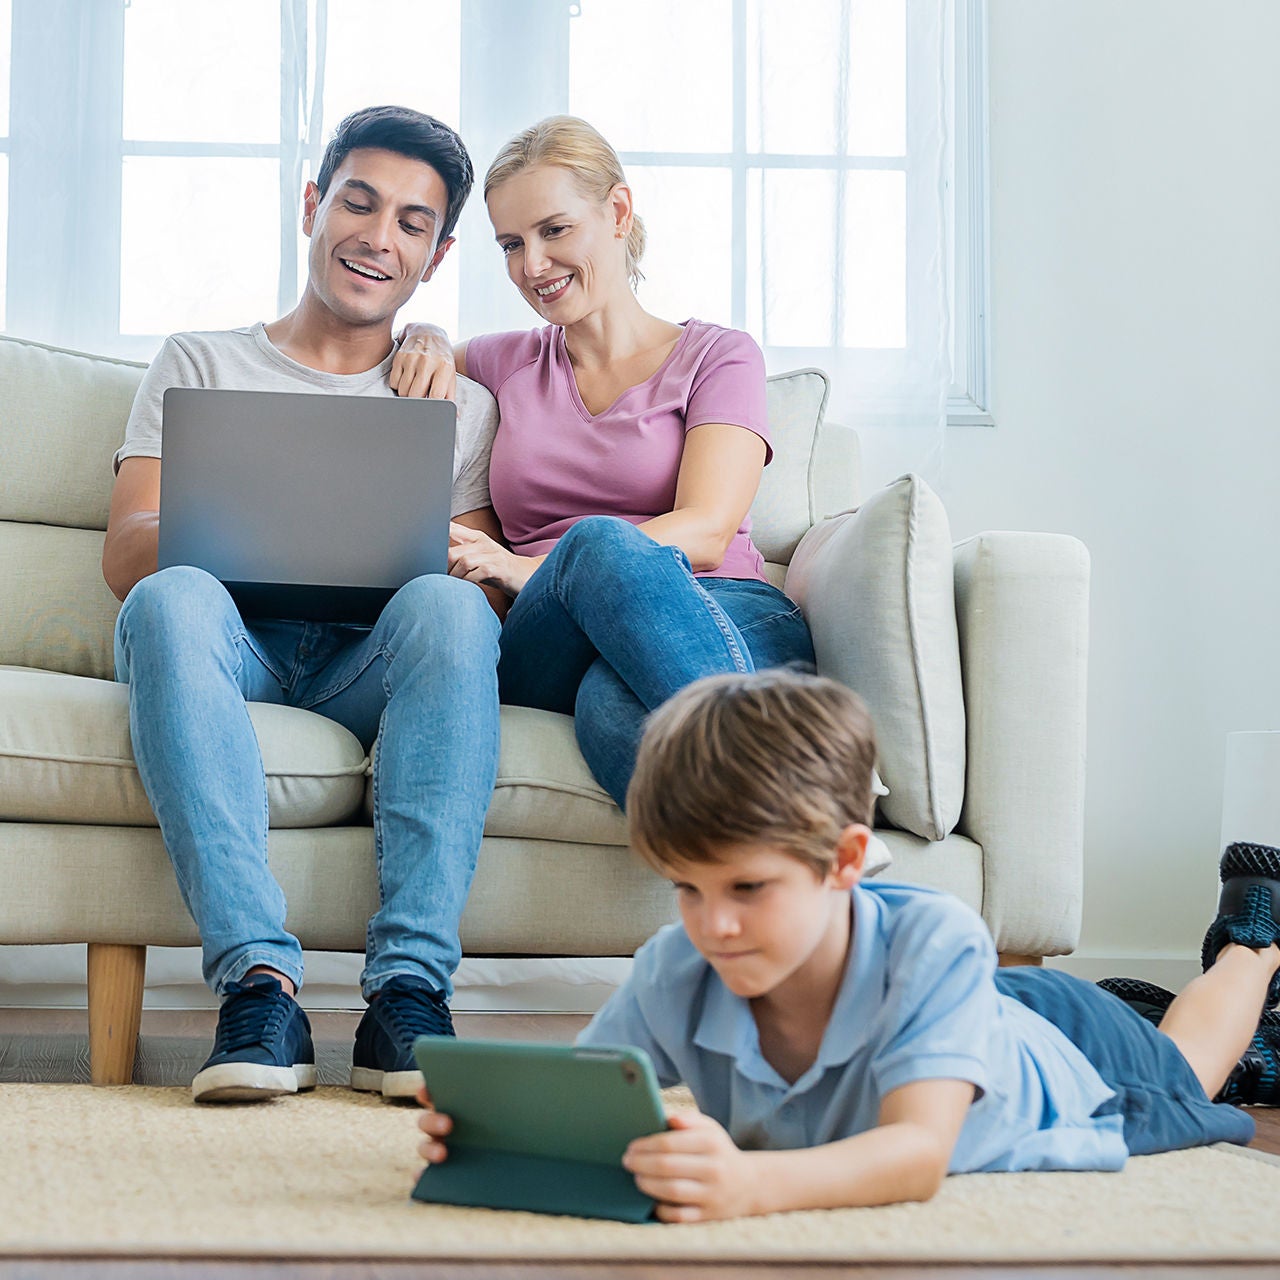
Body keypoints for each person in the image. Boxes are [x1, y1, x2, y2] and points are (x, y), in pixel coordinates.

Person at [417, 670, 1280, 1221]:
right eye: (688, 887)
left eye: (748, 889)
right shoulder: (679, 962)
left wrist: (750, 1187)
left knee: (1192, 1068)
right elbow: (584, 1099)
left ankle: (1253, 937)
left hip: (1064, 1052)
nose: (711, 924)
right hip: (940, 1011)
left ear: (847, 861)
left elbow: (914, 1157)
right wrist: (500, 1134)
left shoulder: (937, 940)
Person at [103, 106, 505, 1105]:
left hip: (369, 661)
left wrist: (451, 554)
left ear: (436, 253)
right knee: (168, 597)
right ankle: (260, 984)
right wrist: (242, 513)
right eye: (359, 202)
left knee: (452, 617)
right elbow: (124, 556)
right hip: (231, 643)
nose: (379, 235)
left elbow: (477, 583)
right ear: (312, 204)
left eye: (412, 223)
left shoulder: (457, 396)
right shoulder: (198, 362)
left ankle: (408, 992)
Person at [389, 115, 814, 808]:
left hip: (718, 609)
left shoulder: (718, 356)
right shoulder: (507, 361)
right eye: (511, 244)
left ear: (618, 212)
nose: (532, 266)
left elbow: (707, 528)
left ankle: (767, 877)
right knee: (594, 549)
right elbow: (416, 346)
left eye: (555, 231)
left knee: (613, 716)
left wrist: (535, 568)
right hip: (549, 637)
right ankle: (816, 805)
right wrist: (427, 333)